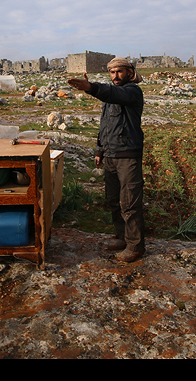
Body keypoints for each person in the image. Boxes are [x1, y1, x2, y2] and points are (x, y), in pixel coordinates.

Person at [67, 57, 146, 262]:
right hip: (110, 155)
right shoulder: (110, 97)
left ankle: (135, 246)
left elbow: (114, 93)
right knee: (114, 200)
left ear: (129, 72)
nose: (115, 76)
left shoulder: (132, 92)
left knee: (130, 203)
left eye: (119, 71)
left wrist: (91, 87)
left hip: (127, 155)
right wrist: (99, 150)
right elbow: (105, 125)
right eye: (112, 72)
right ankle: (122, 237)